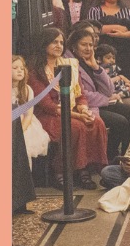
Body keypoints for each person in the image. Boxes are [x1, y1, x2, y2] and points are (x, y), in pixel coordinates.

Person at [26, 28, 110, 190]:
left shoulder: (69, 65)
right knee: (76, 127)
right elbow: (47, 105)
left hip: (71, 110)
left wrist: (84, 110)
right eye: (54, 42)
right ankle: (61, 172)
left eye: (61, 42)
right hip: (47, 114)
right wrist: (78, 117)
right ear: (44, 44)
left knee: (96, 122)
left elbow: (80, 94)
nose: (58, 45)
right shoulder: (34, 70)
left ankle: (85, 169)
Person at [67, 28, 130, 161]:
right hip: (85, 106)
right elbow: (80, 93)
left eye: (91, 45)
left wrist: (96, 67)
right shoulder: (70, 62)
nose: (88, 48)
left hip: (99, 101)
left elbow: (109, 89)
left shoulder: (89, 60)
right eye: (84, 44)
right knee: (120, 122)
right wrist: (106, 99)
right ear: (74, 45)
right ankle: (111, 156)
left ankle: (128, 156)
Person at [13, 56, 38, 213]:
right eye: (14, 68)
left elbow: (28, 115)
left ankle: (22, 197)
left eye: (22, 68)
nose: (19, 71)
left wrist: (19, 132)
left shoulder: (27, 90)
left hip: (24, 127)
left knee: (24, 151)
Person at [96, 45, 130, 109]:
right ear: (99, 59)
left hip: (121, 88)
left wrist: (127, 84)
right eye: (108, 58)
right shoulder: (101, 70)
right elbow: (107, 81)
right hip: (114, 92)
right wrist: (119, 77)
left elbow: (126, 81)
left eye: (113, 58)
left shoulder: (113, 68)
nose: (112, 60)